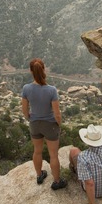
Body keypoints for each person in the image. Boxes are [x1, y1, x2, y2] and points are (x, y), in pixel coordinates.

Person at [21, 58, 67, 190]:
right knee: (53, 154)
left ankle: (39, 175)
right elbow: (57, 113)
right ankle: (57, 181)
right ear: (44, 70)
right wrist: (59, 124)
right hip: (50, 125)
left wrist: (30, 118)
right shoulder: (51, 90)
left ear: (31, 71)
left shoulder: (26, 88)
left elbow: (24, 110)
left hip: (35, 123)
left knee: (37, 151)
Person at [69, 124, 102, 204]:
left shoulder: (83, 157)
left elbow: (89, 183)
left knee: (74, 151)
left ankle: (73, 169)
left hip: (96, 192)